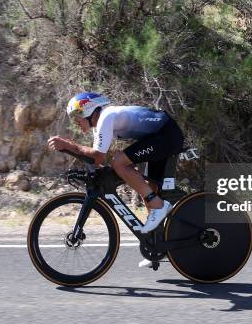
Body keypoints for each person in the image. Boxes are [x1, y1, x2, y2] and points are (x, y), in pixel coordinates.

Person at [46, 92, 184, 265]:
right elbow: (95, 161)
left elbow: (97, 156)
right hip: (160, 136)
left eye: (77, 116)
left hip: (166, 135)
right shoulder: (101, 124)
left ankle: (158, 205)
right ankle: (157, 245)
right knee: (148, 187)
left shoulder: (106, 117)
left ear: (89, 111)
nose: (76, 121)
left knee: (119, 163)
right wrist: (74, 157)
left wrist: (67, 145)